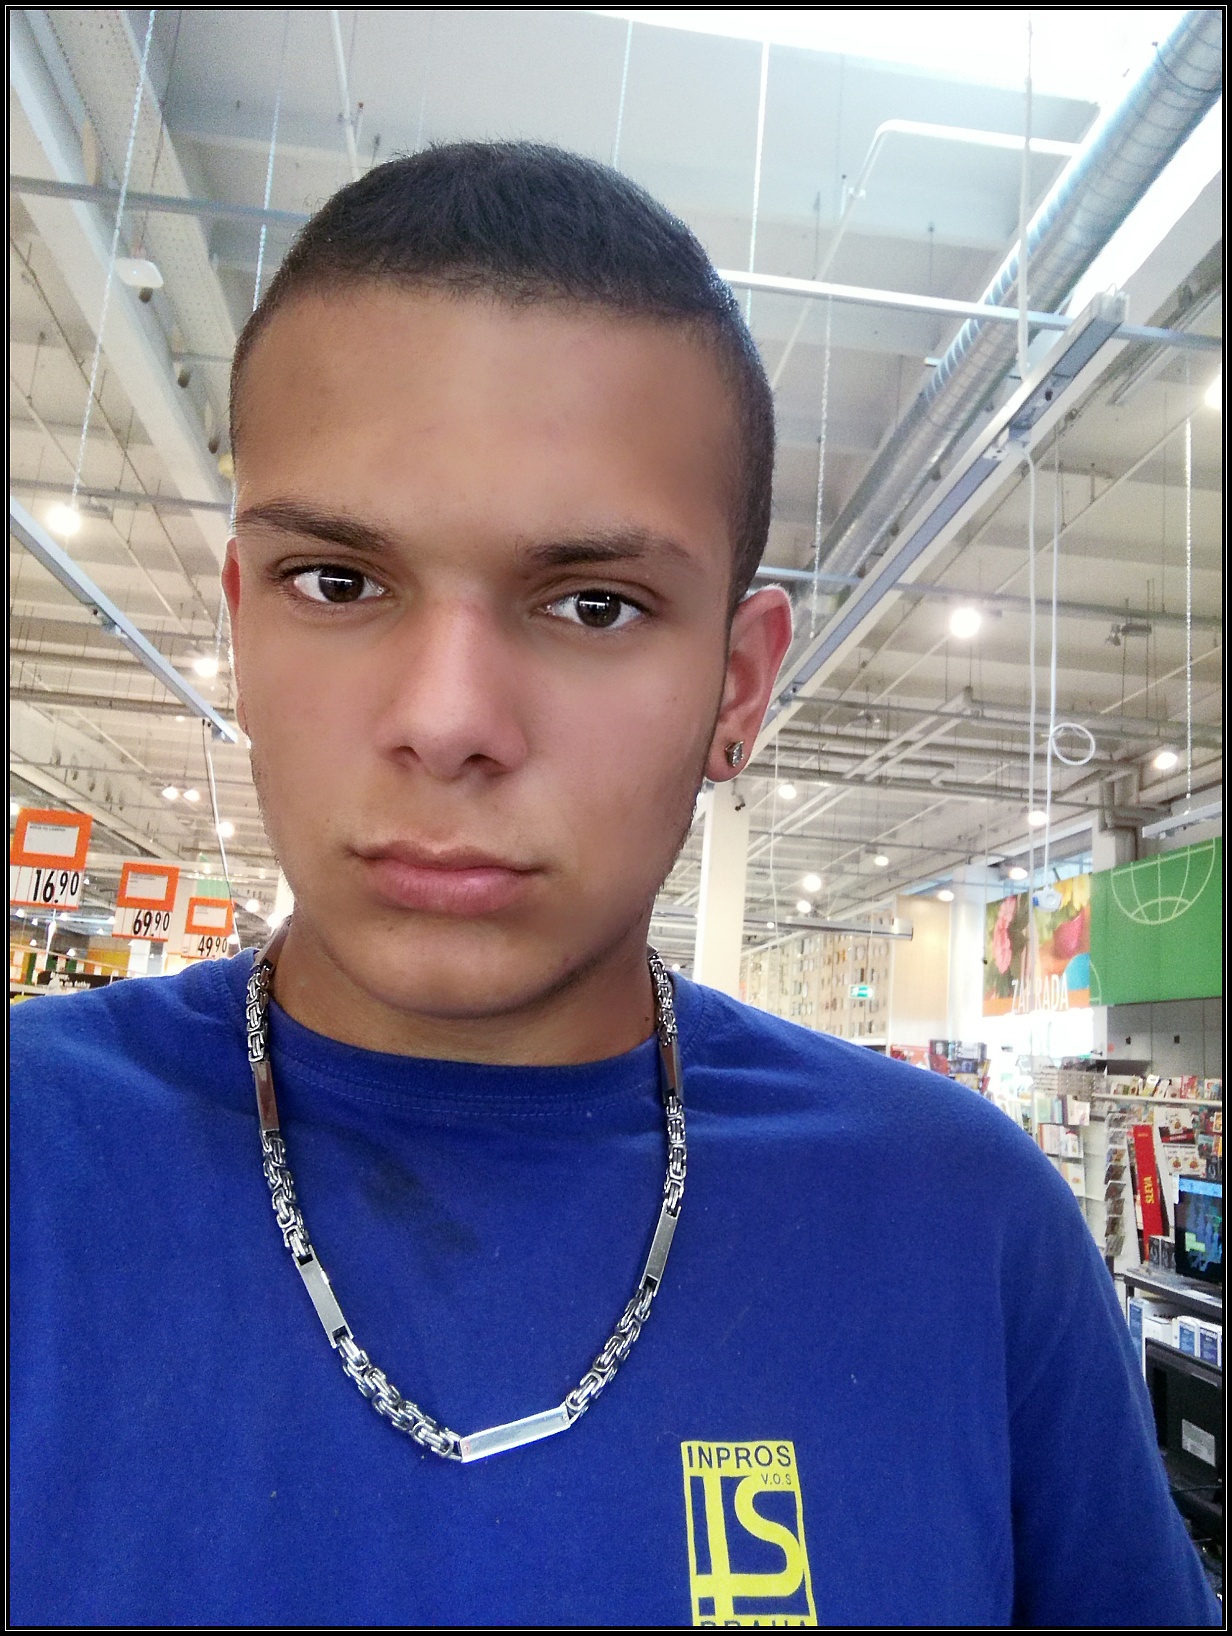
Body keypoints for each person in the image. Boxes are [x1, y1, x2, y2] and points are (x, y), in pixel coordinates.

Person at [10, 142, 1218, 1629]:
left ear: (739, 686)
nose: (448, 720)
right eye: (338, 580)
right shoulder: (35, 1158)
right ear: (243, 620)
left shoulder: (964, 1230)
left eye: (594, 604)